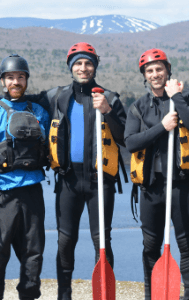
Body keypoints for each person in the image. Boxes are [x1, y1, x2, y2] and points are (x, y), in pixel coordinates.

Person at [35, 42, 126, 300]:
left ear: (94, 66)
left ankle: (104, 294)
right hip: (68, 181)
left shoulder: (111, 98)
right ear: (70, 67)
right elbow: (23, 99)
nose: (83, 68)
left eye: (88, 63)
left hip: (100, 182)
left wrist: (107, 111)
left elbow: (125, 139)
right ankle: (65, 295)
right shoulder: (57, 96)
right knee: (65, 241)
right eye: (78, 63)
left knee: (102, 243)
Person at [124, 49, 189, 300]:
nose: (155, 74)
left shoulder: (188, 98)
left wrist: (176, 97)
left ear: (168, 70)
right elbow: (131, 143)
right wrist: (162, 127)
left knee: (185, 242)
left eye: (159, 69)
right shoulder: (138, 107)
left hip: (180, 184)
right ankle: (154, 294)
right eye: (150, 70)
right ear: (145, 76)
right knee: (150, 246)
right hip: (151, 187)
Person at [0, 54, 50, 300]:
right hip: (2, 193)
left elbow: (53, 145)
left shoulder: (39, 111)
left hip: (32, 190)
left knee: (33, 251)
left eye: (20, 77)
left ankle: (29, 296)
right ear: (3, 81)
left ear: (27, 80)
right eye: (10, 77)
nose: (16, 81)